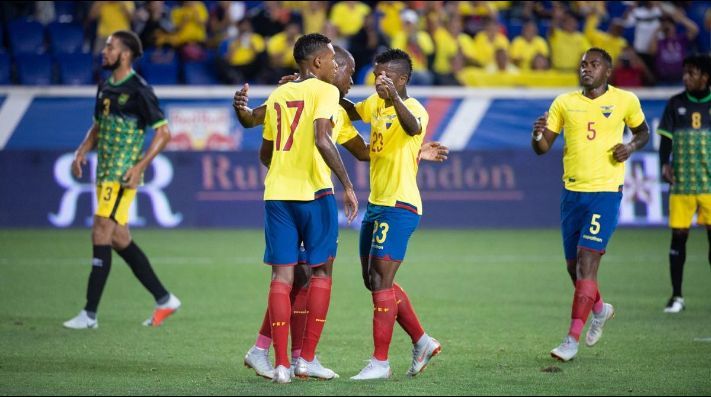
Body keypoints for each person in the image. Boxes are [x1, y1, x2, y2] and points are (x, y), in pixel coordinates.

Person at [234, 45, 449, 380]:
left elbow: (400, 133)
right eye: (347, 71)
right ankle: (293, 357)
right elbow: (347, 136)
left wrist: (414, 152)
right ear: (326, 68)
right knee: (344, 277)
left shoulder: (406, 107)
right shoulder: (342, 100)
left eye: (384, 76)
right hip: (334, 198)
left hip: (384, 201)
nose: (360, 80)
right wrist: (304, 85)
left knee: (335, 277)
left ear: (402, 79)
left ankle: (365, 360)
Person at [236, 33, 359, 384]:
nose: (337, 67)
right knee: (321, 272)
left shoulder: (279, 93)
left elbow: (264, 151)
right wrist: (348, 186)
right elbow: (322, 138)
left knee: (282, 277)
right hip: (315, 193)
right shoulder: (325, 91)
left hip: (276, 193)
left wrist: (283, 166)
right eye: (333, 60)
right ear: (317, 62)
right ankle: (306, 359)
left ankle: (280, 367)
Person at [531, 48, 650, 361]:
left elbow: (643, 133)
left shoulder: (626, 100)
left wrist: (631, 146)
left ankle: (571, 340)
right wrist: (537, 135)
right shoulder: (564, 102)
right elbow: (543, 148)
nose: (586, 69)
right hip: (572, 195)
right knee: (574, 269)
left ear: (607, 71)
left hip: (605, 193)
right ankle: (600, 309)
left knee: (586, 264)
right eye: (583, 64)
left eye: (593, 64)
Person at [63, 30, 181, 330]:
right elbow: (97, 127)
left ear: (125, 54)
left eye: (110, 47)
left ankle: (89, 314)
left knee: (101, 230)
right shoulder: (104, 87)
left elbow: (164, 132)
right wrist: (81, 151)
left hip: (122, 173)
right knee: (118, 237)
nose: (104, 51)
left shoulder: (139, 90)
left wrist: (140, 166)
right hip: (103, 172)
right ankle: (164, 299)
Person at [339, 49, 442, 380]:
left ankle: (380, 362)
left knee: (381, 280)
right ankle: (422, 341)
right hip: (378, 204)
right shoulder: (375, 104)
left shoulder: (413, 109)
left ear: (401, 80)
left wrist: (394, 97)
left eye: (384, 75)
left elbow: (412, 129)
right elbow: (352, 110)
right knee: (374, 281)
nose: (376, 79)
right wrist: (323, 87)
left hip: (400, 205)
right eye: (375, 74)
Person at [657, 54, 711, 313]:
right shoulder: (675, 103)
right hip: (682, 182)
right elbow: (665, 141)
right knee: (678, 238)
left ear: (705, 77)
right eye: (685, 72)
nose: (686, 77)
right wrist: (663, 165)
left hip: (710, 184)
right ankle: (676, 296)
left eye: (692, 73)